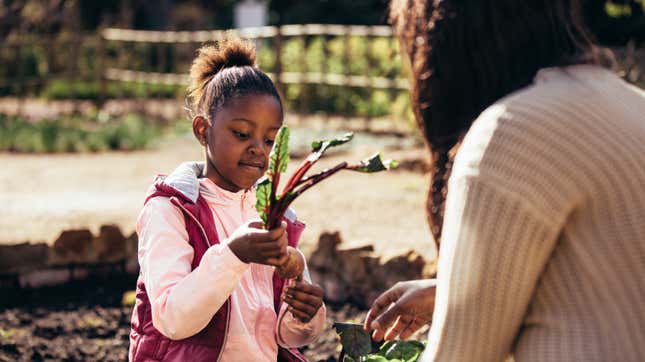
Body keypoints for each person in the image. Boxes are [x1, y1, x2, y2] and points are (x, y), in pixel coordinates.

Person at [364, 1, 645, 361]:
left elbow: (462, 356)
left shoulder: (512, 132)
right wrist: (450, 292)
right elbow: (607, 288)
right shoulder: (632, 105)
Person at [128, 37, 325, 362]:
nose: (258, 149)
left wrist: (304, 312)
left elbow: (284, 335)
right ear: (203, 130)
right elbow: (172, 318)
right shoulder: (170, 209)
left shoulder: (274, 217)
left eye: (270, 139)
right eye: (242, 134)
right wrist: (234, 254)